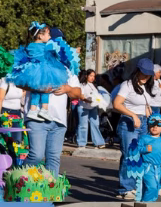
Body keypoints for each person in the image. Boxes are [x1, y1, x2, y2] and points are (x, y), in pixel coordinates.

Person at [17, 27, 82, 177]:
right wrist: (37, 86)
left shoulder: (67, 65)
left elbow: (78, 93)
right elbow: (19, 82)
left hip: (59, 121)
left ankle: (50, 189)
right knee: (36, 155)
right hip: (36, 118)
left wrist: (67, 88)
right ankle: (19, 181)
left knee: (53, 158)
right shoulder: (34, 60)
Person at [9, 22, 78, 122]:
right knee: (45, 88)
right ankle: (44, 109)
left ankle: (33, 110)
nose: (50, 37)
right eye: (48, 35)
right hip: (44, 69)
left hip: (34, 70)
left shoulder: (30, 47)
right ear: (41, 36)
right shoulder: (46, 47)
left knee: (37, 90)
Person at [112, 58, 157, 199]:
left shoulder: (147, 86)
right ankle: (125, 189)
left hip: (144, 123)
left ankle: (137, 186)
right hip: (129, 123)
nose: (146, 76)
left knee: (142, 155)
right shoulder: (127, 85)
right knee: (129, 155)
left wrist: (149, 116)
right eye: (143, 73)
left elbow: (145, 105)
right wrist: (133, 115)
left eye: (148, 74)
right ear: (137, 71)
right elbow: (116, 104)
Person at [121, 114, 161, 201]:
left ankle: (145, 203)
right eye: (152, 125)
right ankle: (146, 203)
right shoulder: (144, 138)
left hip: (159, 167)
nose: (155, 127)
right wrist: (145, 149)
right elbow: (137, 149)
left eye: (158, 126)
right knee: (152, 187)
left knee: (153, 188)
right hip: (147, 167)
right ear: (149, 126)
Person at [74, 69, 104, 148]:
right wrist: (89, 101)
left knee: (95, 124)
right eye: (91, 76)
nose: (92, 78)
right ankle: (81, 143)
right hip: (83, 107)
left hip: (93, 107)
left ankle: (98, 142)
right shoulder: (82, 85)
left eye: (94, 76)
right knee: (83, 125)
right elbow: (81, 96)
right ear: (86, 76)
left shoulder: (94, 85)